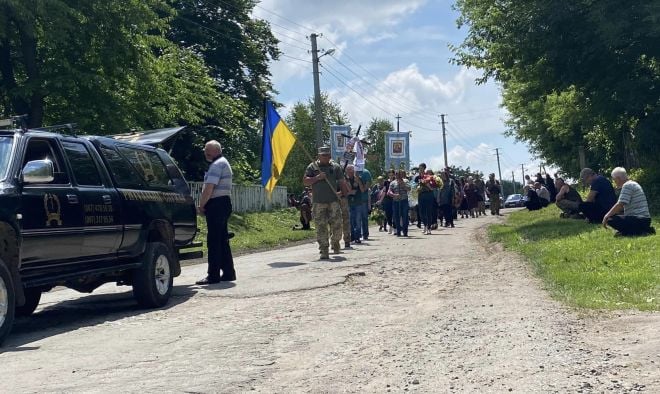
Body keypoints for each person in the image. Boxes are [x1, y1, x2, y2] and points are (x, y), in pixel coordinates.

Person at [196, 140, 236, 285]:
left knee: (213, 241)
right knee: (222, 240)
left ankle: (213, 275)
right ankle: (228, 272)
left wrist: (201, 205)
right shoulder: (223, 163)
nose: (205, 152)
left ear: (214, 151)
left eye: (207, 150)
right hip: (223, 203)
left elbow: (209, 188)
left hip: (217, 204)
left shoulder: (216, 165)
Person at [303, 146, 346, 259]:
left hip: (333, 201)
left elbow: (342, 181)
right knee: (321, 226)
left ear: (330, 156)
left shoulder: (335, 167)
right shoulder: (312, 167)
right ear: (319, 156)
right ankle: (324, 249)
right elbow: (305, 182)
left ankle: (335, 242)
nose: (325, 157)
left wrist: (343, 194)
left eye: (327, 155)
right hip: (319, 202)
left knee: (337, 225)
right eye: (323, 155)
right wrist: (317, 177)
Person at [602, 167, 655, 236]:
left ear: (618, 178)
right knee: (617, 216)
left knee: (610, 219)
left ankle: (638, 232)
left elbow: (620, 205)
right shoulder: (633, 183)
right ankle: (640, 230)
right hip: (644, 220)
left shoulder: (627, 186)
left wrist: (606, 216)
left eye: (614, 180)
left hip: (639, 220)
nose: (614, 182)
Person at [345, 165, 367, 244]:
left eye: (351, 170)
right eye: (348, 170)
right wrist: (349, 192)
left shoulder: (358, 178)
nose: (350, 172)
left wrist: (359, 182)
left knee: (358, 220)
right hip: (349, 202)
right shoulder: (345, 180)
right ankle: (352, 237)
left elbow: (362, 190)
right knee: (351, 221)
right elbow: (343, 192)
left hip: (358, 202)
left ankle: (357, 237)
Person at [388, 169, 410, 237]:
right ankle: (398, 231)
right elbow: (389, 192)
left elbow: (409, 189)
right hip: (396, 201)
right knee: (396, 217)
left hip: (404, 201)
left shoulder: (406, 181)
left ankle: (405, 231)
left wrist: (403, 184)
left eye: (399, 174)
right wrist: (394, 195)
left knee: (405, 216)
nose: (398, 175)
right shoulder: (392, 183)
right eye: (396, 174)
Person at [418, 168, 438, 234]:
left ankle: (428, 228)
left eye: (422, 171)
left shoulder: (431, 178)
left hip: (429, 195)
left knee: (428, 212)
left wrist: (428, 185)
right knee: (421, 212)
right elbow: (414, 186)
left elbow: (434, 187)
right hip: (421, 196)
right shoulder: (417, 178)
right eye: (420, 170)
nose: (421, 172)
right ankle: (425, 225)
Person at [357, 167, 372, 241]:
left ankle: (365, 234)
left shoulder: (366, 172)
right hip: (353, 200)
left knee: (364, 218)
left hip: (363, 199)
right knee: (355, 218)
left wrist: (359, 181)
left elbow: (366, 187)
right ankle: (357, 235)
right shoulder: (351, 170)